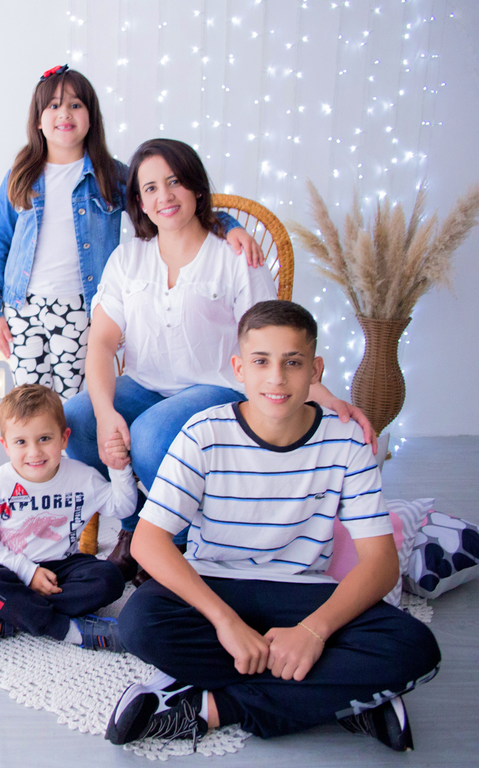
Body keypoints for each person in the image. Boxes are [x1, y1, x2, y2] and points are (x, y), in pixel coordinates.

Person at [104, 300, 440, 751]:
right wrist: (225, 623)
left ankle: (216, 708)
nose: (277, 378)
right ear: (239, 369)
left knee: (414, 647)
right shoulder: (204, 431)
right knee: (140, 624)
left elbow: (381, 565)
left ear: (315, 369)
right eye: (261, 362)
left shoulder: (346, 440)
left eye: (293, 362)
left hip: (303, 589)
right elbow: (148, 542)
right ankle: (345, 696)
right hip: (217, 581)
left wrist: (314, 633)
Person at [63, 138, 375, 580]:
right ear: (138, 201)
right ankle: (136, 533)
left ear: (195, 188)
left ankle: (173, 542)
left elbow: (271, 336)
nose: (164, 196)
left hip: (213, 388)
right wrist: (104, 410)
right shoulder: (127, 258)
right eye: (150, 188)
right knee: (74, 420)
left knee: (152, 439)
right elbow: (101, 342)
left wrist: (320, 392)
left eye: (174, 182)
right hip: (144, 384)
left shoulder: (234, 256)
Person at [0, 68, 261, 399]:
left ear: (91, 118)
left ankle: (71, 454)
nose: (64, 114)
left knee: (72, 403)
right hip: (22, 307)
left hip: (79, 308)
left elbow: (167, 206)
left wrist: (226, 224)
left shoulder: (109, 175)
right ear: (38, 121)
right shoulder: (21, 175)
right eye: (53, 106)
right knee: (30, 403)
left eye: (75, 105)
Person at [0, 384, 138, 650]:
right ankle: (66, 629)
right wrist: (28, 572)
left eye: (44, 438)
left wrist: (119, 468)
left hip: (61, 568)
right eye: (21, 442)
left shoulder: (82, 477)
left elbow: (122, 509)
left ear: (64, 438)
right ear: (5, 445)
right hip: (9, 568)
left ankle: (12, 617)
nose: (34, 452)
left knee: (110, 578)